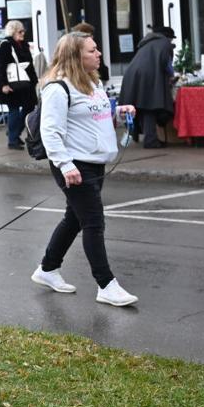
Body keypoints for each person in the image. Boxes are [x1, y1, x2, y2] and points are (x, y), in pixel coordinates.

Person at [34, 30, 138, 307]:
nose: (99, 54)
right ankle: (106, 285)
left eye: (96, 49)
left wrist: (118, 113)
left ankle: (47, 269)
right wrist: (65, 165)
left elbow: (94, 119)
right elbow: (50, 132)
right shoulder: (58, 88)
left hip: (94, 161)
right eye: (92, 50)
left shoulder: (93, 82)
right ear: (75, 56)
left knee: (75, 219)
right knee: (93, 222)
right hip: (74, 163)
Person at [117, 26, 176, 149]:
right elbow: (166, 64)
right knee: (149, 107)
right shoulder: (165, 43)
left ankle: (130, 139)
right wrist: (173, 75)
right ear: (168, 37)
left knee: (139, 107)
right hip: (147, 77)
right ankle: (150, 141)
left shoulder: (146, 42)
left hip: (131, 75)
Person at [0, 20, 39, 151]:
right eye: (20, 31)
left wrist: (35, 81)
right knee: (13, 110)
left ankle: (14, 132)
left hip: (25, 84)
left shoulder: (24, 45)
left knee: (29, 108)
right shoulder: (6, 45)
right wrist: (3, 85)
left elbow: (29, 65)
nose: (23, 33)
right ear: (13, 32)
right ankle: (12, 140)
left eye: (23, 31)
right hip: (11, 84)